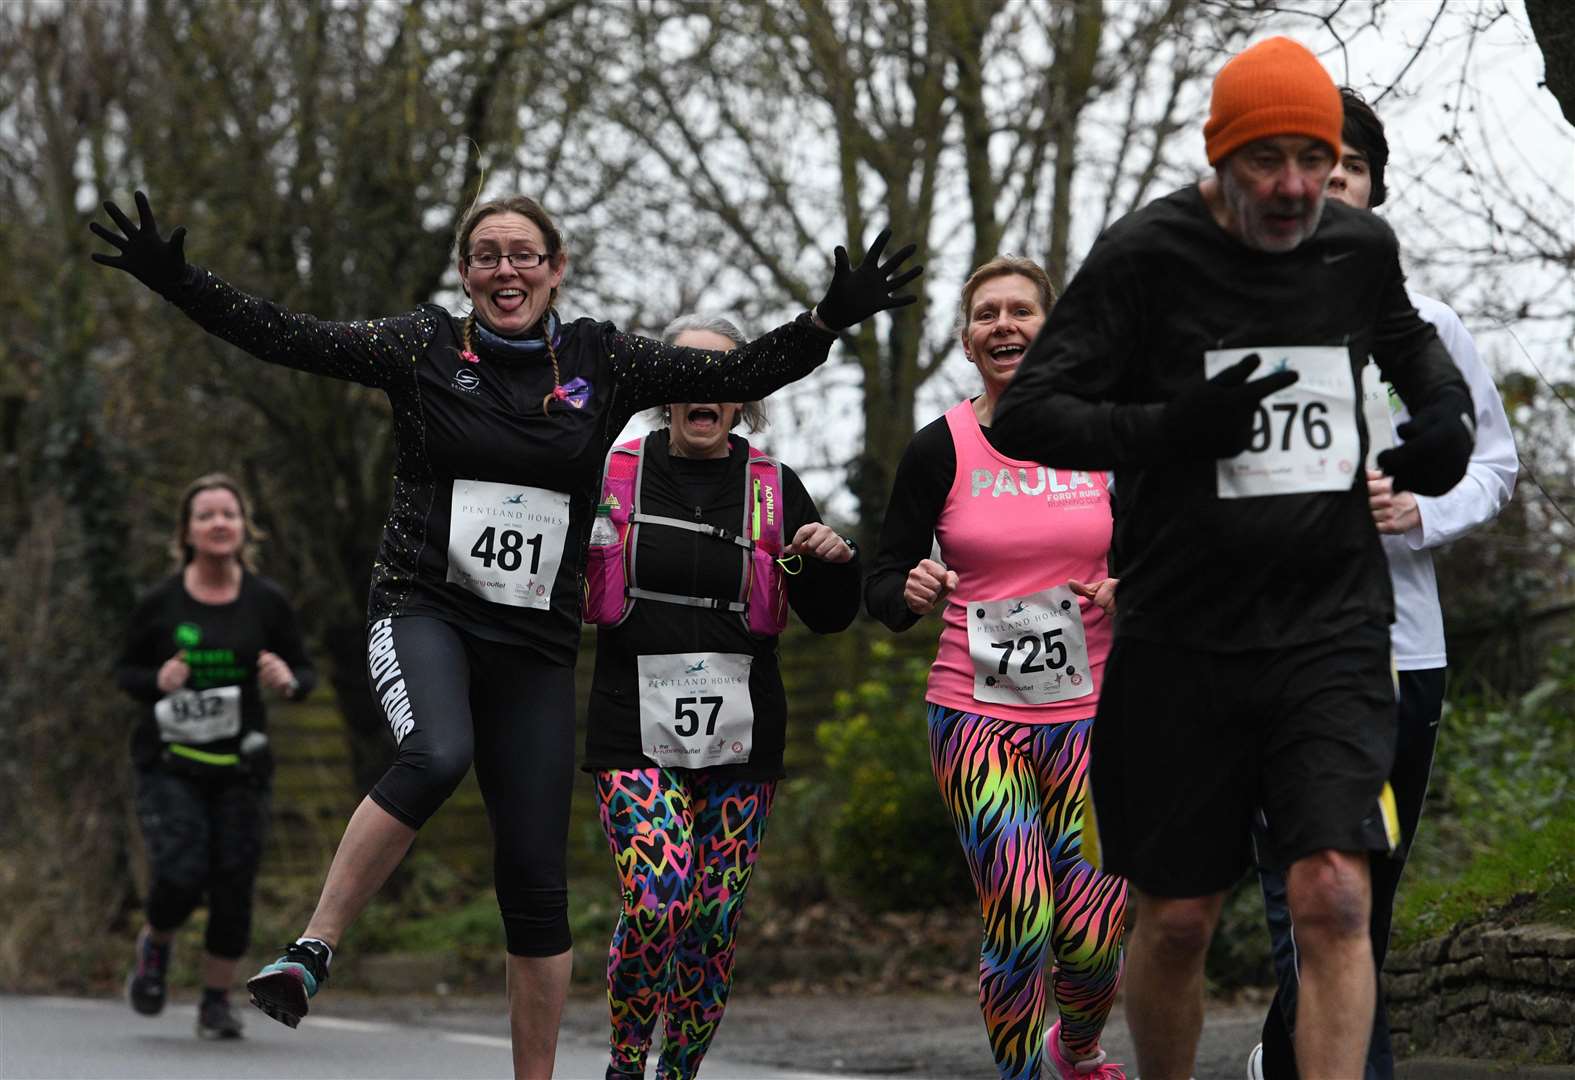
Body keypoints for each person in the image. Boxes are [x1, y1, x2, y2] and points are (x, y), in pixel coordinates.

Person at [91, 190, 919, 1077]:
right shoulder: (422, 348)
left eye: (524, 254)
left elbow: (732, 371)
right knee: (437, 754)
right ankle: (314, 949)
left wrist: (828, 316)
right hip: (426, 608)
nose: (505, 270)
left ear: (556, 269)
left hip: (534, 641)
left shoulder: (603, 360)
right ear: (465, 272)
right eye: (485, 255)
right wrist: (179, 281)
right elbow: (286, 334)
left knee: (536, 885)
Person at [989, 37, 1476, 1080]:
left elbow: (1412, 348)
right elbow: (1030, 414)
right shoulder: (1145, 256)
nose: (1297, 185)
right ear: (1220, 159)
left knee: (1336, 893)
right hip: (1182, 633)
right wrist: (1172, 426)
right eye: (1269, 160)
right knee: (1176, 922)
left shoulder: (1357, 248)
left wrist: (1445, 418)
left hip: (1332, 623)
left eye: (1318, 156)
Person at [1247, 88, 1519, 1080]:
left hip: (1405, 651)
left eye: (1348, 166)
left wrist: (1422, 512)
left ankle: (1288, 1057)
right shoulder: (1240, 326)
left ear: (1371, 187)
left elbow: (1496, 463)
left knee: (1370, 900)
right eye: (1309, 164)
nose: (1328, 183)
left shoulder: (1431, 325)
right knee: (1320, 897)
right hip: (1281, 654)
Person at [865, 257, 1127, 1080]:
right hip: (978, 717)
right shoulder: (938, 447)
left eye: (1022, 311)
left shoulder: (1105, 431)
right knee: (1019, 918)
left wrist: (1135, 584)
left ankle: (1076, 1046)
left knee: (1091, 936)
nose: (1004, 324)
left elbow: (1167, 546)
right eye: (987, 314)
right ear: (968, 340)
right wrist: (905, 588)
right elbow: (881, 582)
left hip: (1097, 715)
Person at [582, 313, 861, 1080]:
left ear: (743, 396)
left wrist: (835, 559)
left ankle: (677, 1073)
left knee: (709, 921)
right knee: (658, 895)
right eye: (686, 371)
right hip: (630, 726)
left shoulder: (775, 488)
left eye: (721, 373)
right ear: (662, 389)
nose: (703, 386)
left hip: (742, 737)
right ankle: (625, 1059)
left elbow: (832, 617)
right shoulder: (611, 476)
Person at [116, 472, 316, 1040]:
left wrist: (288, 681)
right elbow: (125, 674)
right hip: (170, 762)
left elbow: (303, 672)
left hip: (241, 767)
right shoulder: (160, 603)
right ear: (187, 531)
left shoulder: (266, 601)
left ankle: (214, 1000)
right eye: (205, 515)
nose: (218, 523)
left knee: (233, 880)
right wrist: (157, 678)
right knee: (181, 872)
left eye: (228, 513)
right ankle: (155, 945)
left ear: (243, 526)